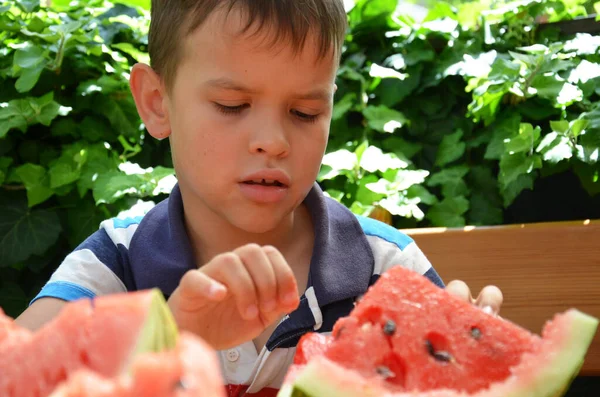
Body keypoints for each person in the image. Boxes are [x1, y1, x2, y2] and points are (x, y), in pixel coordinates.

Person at [16, 1, 503, 395]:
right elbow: (17, 374)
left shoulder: (386, 268)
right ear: (157, 103)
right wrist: (173, 340)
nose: (273, 140)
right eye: (233, 106)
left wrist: (467, 373)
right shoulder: (114, 265)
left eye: (305, 111)